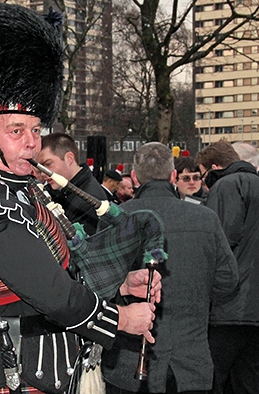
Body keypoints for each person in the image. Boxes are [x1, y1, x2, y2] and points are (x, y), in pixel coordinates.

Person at [0, 2, 158, 394]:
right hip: (8, 375)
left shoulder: (23, 191)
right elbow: (55, 296)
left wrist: (121, 285)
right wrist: (121, 319)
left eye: (36, 128)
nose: (31, 141)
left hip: (43, 368)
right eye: (16, 130)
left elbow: (63, 272)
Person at [102, 143, 239, 394]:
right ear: (174, 176)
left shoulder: (116, 219)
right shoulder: (205, 219)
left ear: (134, 178)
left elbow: (98, 284)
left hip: (128, 361)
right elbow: (228, 281)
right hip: (190, 358)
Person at [196, 140, 259, 394]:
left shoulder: (226, 186)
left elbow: (219, 242)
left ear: (214, 167)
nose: (203, 183)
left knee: (212, 377)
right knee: (250, 377)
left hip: (230, 306)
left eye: (203, 175)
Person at [36, 132, 106, 235]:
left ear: (69, 158)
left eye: (48, 164)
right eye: (40, 168)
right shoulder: (60, 190)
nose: (43, 173)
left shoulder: (91, 199)